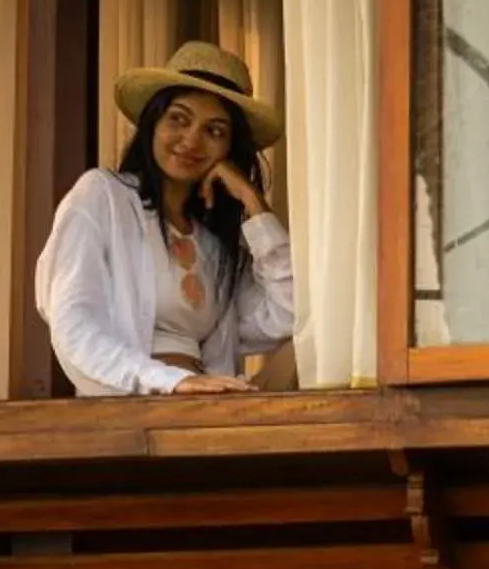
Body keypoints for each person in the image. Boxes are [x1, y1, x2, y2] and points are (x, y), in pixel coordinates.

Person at [36, 40, 295, 396]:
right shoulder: (103, 197)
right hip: (129, 427)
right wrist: (173, 382)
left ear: (230, 150)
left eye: (214, 130)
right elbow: (73, 324)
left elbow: (286, 313)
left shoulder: (215, 244)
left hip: (206, 423)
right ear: (152, 124)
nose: (191, 140)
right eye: (178, 119)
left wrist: (253, 203)